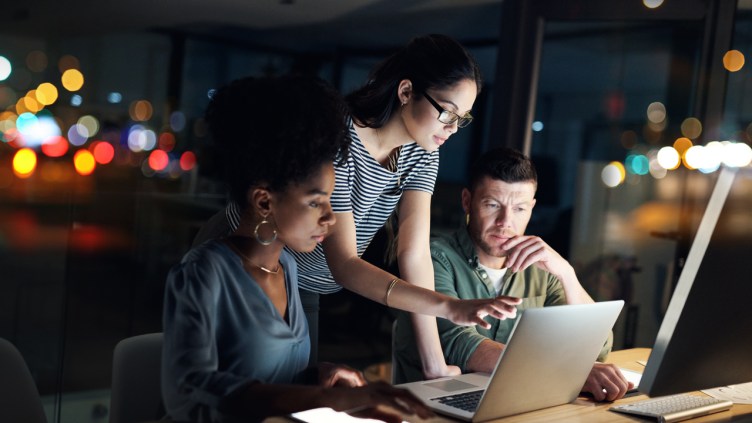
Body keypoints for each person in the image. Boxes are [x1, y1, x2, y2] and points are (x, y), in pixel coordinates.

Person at [194, 34, 521, 379]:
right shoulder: (338, 139)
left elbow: (415, 255)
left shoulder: (423, 152)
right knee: (232, 383)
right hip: (251, 253)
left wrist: (434, 363)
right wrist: (448, 306)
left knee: (296, 386)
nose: (453, 129)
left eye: (463, 118)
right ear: (406, 91)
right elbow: (345, 263)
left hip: (306, 279)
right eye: (447, 113)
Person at [162, 75, 434, 423]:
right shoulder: (202, 273)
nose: (330, 219)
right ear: (264, 202)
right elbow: (188, 394)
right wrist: (322, 399)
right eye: (316, 203)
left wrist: (319, 377)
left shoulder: (287, 268)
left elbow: (270, 375)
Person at [393, 147, 634, 401]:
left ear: (532, 208)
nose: (505, 221)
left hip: (515, 403)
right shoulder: (433, 259)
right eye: (492, 205)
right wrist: (563, 370)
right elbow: (456, 343)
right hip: (433, 409)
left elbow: (599, 347)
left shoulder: (542, 267)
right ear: (467, 201)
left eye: (519, 209)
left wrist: (567, 273)